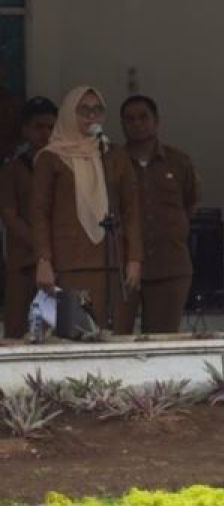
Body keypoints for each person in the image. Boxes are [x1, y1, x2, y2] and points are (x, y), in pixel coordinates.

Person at [30, 87, 143, 333]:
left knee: (116, 343)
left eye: (97, 109)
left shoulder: (114, 155)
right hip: (70, 266)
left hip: (114, 265)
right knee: (77, 339)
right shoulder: (51, 158)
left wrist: (134, 258)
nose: (92, 116)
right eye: (84, 110)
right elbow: (39, 214)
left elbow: (131, 210)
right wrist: (43, 260)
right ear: (69, 114)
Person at [119, 95, 200, 334]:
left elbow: (191, 204)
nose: (136, 123)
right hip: (124, 268)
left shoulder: (178, 161)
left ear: (156, 120)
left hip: (170, 266)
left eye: (143, 117)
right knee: (116, 339)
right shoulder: (114, 162)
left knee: (162, 341)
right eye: (129, 119)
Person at [0, 96, 57, 338]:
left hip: (60, 266)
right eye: (39, 127)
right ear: (25, 130)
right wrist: (42, 247)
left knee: (61, 333)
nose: (45, 133)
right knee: (17, 332)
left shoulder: (64, 166)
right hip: (23, 265)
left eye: (51, 127)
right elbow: (9, 216)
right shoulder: (12, 169)